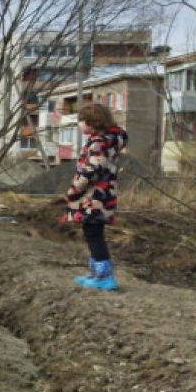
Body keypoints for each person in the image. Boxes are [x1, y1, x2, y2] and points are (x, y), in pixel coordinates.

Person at [63, 103, 128, 292]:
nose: (79, 125)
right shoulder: (109, 140)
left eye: (81, 121)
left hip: (95, 195)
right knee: (91, 231)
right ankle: (95, 272)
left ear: (92, 123)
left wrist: (74, 190)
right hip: (105, 193)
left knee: (93, 233)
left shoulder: (98, 143)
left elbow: (92, 170)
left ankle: (104, 276)